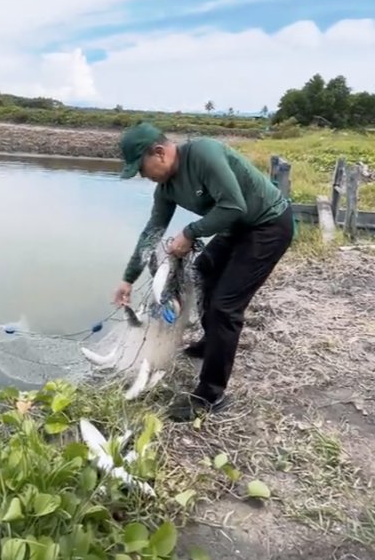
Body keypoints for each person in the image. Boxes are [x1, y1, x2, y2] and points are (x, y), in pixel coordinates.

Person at [113, 121, 294, 421]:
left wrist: (190, 232)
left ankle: (211, 395)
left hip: (267, 225)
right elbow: (152, 232)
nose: (143, 176)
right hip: (233, 227)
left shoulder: (204, 154)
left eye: (141, 169)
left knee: (226, 307)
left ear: (159, 153)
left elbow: (234, 205)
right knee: (203, 270)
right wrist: (127, 278)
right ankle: (212, 342)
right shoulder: (166, 187)